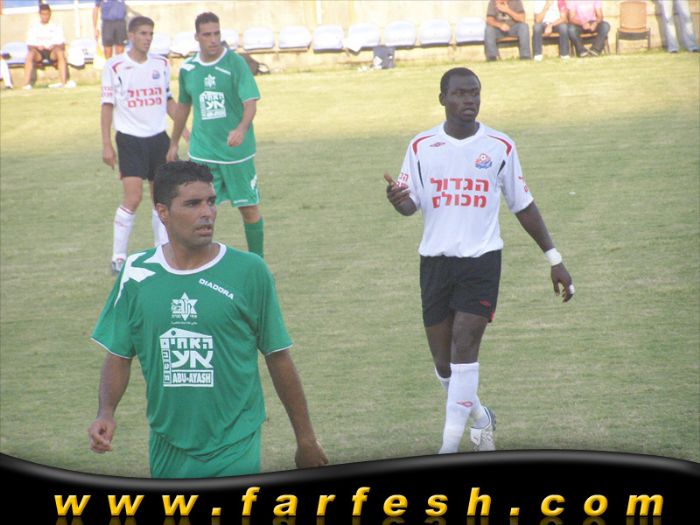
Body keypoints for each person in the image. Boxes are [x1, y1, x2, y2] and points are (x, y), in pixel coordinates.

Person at [88, 160, 328, 478]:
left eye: (211, 201)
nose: (208, 212)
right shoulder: (136, 273)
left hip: (235, 443)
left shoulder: (249, 271)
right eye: (193, 203)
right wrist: (106, 412)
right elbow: (119, 354)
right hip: (167, 443)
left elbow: (278, 357)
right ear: (162, 212)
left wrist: (306, 439)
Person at [384, 67, 574, 454]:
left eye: (474, 93)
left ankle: (448, 447)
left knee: (465, 346)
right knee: (444, 365)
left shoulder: (500, 146)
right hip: (435, 263)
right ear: (443, 99)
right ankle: (481, 417)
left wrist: (554, 258)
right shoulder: (421, 146)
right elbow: (410, 204)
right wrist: (398, 200)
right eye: (460, 93)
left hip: (481, 260)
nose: (469, 100)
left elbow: (523, 205)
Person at [167, 12, 265, 259]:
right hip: (203, 153)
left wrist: (241, 128)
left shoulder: (235, 63)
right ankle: (199, 263)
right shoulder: (189, 68)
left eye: (216, 33)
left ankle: (259, 263)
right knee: (199, 212)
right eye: (207, 34)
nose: (213, 39)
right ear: (197, 37)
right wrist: (173, 142)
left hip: (236, 154)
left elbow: (250, 103)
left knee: (249, 210)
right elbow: (183, 107)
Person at [101, 16, 189, 274]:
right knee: (133, 197)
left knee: (161, 198)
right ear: (130, 36)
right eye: (142, 33)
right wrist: (106, 144)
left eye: (150, 33)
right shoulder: (115, 66)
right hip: (129, 139)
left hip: (159, 139)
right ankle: (118, 256)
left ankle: (162, 251)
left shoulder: (161, 64)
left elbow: (168, 100)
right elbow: (107, 106)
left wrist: (185, 132)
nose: (147, 38)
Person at [23, 3, 75, 90]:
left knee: (60, 53)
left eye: (47, 14)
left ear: (50, 14)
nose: (45, 16)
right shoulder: (34, 27)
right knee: (30, 54)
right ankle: (26, 84)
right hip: (39, 52)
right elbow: (29, 45)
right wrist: (38, 47)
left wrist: (54, 45)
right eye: (43, 14)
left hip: (52, 51)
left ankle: (63, 82)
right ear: (40, 14)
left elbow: (62, 44)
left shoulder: (56, 26)